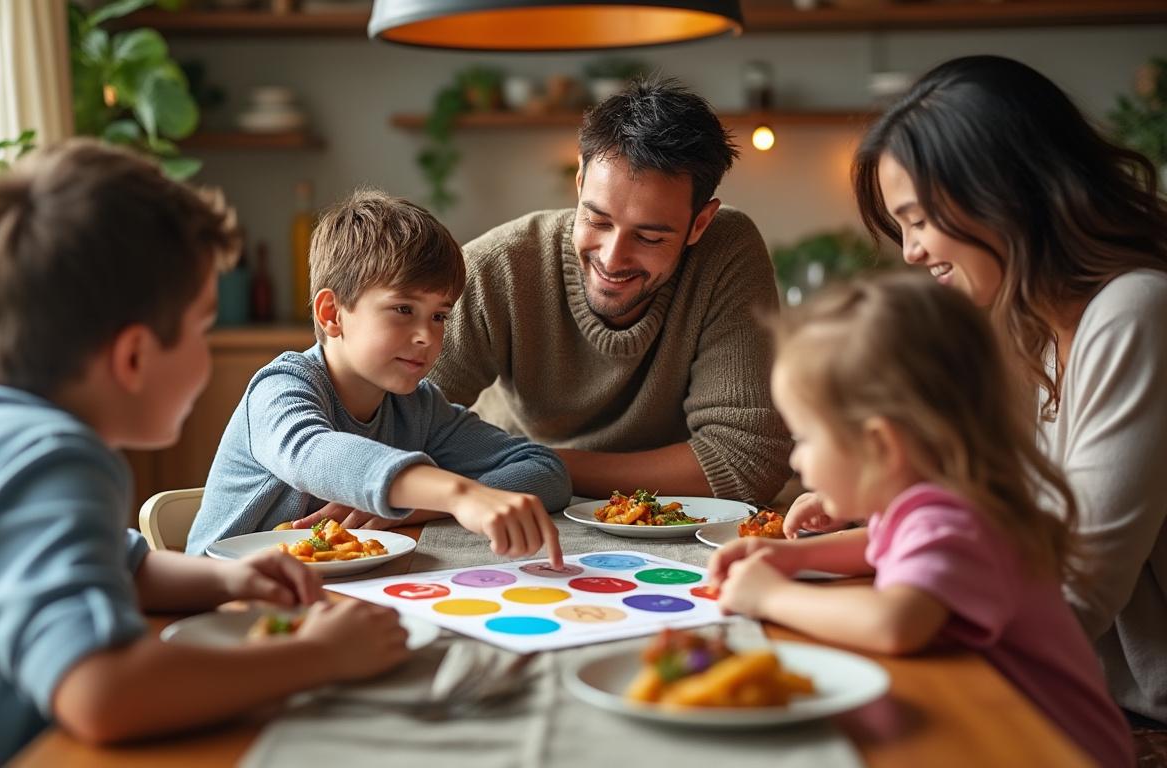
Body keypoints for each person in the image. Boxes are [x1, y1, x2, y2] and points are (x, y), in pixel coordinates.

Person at [0, 140, 410, 766]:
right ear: (133, 358)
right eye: (202, 329)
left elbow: (123, 568)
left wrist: (231, 578)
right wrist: (321, 658)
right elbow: (101, 698)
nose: (207, 353)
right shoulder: (43, 462)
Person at [787, 55, 1167, 735]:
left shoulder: (1135, 311)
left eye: (918, 219)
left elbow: (1076, 593)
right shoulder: (1032, 326)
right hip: (1061, 681)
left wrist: (897, 605)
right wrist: (847, 532)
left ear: (1005, 193)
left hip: (1124, 715)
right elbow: (990, 523)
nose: (907, 251)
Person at [709, 274, 1133, 767]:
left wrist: (772, 595)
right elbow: (886, 545)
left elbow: (895, 624)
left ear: (880, 446)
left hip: (1054, 747)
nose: (797, 462)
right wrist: (794, 554)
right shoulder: (938, 507)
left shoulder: (952, 520)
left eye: (804, 438)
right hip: (995, 726)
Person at [425, 77, 792, 503]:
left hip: (621, 502)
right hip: (509, 498)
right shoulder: (498, 265)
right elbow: (391, 421)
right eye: (598, 221)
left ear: (700, 223)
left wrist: (539, 467)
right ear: (580, 183)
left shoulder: (726, 250)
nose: (613, 260)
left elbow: (747, 462)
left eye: (650, 238)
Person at [186, 188, 570, 566]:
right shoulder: (280, 389)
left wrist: (414, 505)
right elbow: (314, 453)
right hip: (218, 597)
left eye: (439, 315)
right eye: (403, 308)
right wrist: (456, 494)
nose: (427, 336)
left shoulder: (418, 407)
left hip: (334, 594)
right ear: (332, 314)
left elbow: (546, 472)